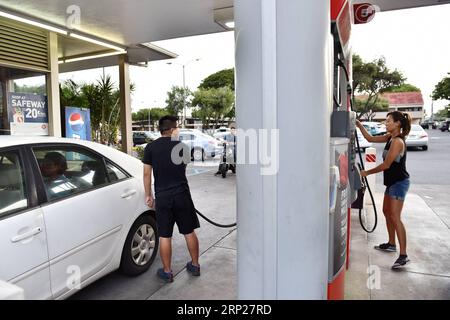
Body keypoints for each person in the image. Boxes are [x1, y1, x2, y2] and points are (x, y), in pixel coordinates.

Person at [143, 115, 201, 282]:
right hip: (182, 195)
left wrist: (148, 195)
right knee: (189, 231)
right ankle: (195, 265)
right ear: (172, 129)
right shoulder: (181, 146)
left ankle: (167, 272)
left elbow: (147, 174)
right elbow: (183, 167)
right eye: (177, 128)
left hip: (162, 197)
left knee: (165, 235)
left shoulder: (150, 148)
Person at [357, 111, 412, 269]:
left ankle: (403, 255)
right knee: (387, 212)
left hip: (399, 183)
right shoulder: (390, 138)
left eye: (388, 121)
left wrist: (366, 172)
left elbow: (387, 165)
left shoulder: (398, 142)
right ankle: (391, 243)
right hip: (392, 183)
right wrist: (358, 124)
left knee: (395, 216)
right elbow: (370, 139)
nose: (385, 123)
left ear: (397, 124)